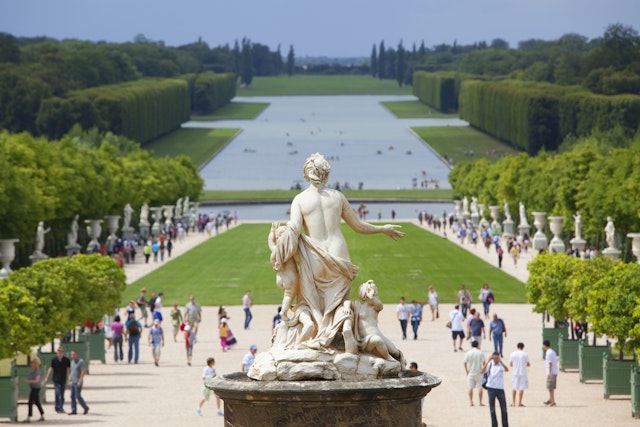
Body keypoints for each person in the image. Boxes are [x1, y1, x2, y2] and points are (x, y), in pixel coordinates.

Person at [271, 153, 403, 352]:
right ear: (326, 174)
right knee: (339, 305)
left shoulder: (299, 200)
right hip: (339, 255)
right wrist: (382, 228)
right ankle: (338, 339)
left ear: (306, 174)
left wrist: (276, 245)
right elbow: (358, 226)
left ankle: (317, 337)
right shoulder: (337, 197)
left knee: (313, 303)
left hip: (315, 256)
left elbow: (294, 231)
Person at [269, 223, 300, 320]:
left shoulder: (275, 249)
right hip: (290, 277)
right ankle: (284, 311)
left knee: (288, 294)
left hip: (279, 278)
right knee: (290, 293)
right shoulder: (290, 250)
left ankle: (290, 305)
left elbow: (270, 241)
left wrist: (272, 231)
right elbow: (300, 261)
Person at [483, 352, 509, 427]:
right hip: (491, 388)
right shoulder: (490, 364)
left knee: (503, 408)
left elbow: (507, 369)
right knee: (492, 409)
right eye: (494, 358)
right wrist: (488, 361)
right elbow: (482, 371)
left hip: (500, 388)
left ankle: (505, 425)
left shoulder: (500, 364)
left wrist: (501, 362)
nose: (495, 359)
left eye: (497, 358)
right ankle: (494, 425)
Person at [43, 347, 71, 414]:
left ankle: (61, 407)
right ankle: (57, 407)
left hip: (63, 379)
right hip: (56, 379)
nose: (59, 353)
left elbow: (70, 369)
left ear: (63, 353)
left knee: (62, 394)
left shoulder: (66, 360)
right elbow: (51, 368)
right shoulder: (54, 360)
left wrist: (70, 378)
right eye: (58, 352)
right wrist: (46, 377)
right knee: (57, 393)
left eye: (61, 352)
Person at [464, 340, 485, 407]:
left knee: (470, 388)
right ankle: (480, 402)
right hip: (479, 372)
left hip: (471, 372)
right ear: (477, 345)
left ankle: (471, 402)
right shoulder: (480, 353)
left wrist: (467, 371)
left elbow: (465, 362)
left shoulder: (468, 353)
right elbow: (484, 362)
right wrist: (483, 370)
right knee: (480, 388)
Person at [23, 357, 45, 422]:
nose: (31, 364)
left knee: (30, 402)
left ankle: (29, 417)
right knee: (37, 402)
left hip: (36, 388)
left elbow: (37, 380)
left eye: (32, 363)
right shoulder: (34, 370)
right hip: (34, 387)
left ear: (36, 364)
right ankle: (42, 415)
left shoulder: (37, 371)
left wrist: (28, 381)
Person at [509, 342, 531, 407]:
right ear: (523, 347)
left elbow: (510, 364)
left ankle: (513, 402)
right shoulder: (525, 354)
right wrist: (525, 365)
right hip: (523, 372)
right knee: (521, 388)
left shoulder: (512, 354)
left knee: (514, 387)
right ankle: (520, 402)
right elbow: (528, 364)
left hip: (515, 372)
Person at [68, 350, 89, 415]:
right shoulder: (72, 362)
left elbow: (83, 371)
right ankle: (74, 410)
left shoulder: (81, 361)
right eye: (71, 355)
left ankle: (85, 407)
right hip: (73, 381)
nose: (73, 356)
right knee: (72, 396)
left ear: (77, 354)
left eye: (74, 354)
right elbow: (72, 371)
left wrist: (80, 380)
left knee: (78, 396)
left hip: (78, 381)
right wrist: (69, 379)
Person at [543, 339, 558, 407]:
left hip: (551, 372)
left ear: (545, 345)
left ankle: (552, 402)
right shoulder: (553, 351)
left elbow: (550, 363)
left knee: (550, 388)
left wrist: (549, 373)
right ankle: (551, 399)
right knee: (551, 387)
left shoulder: (548, 353)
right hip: (554, 371)